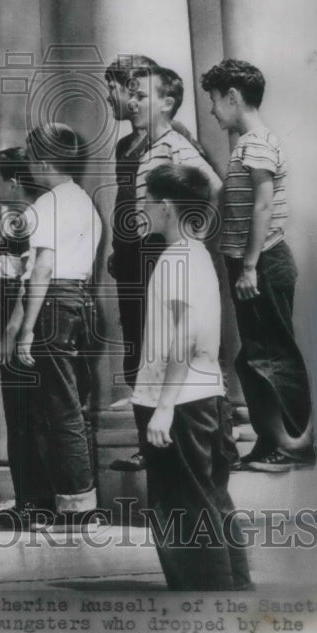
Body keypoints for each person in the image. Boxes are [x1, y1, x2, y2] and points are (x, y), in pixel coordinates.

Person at [134, 163, 252, 591]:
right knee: (211, 501)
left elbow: (185, 337)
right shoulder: (198, 255)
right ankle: (234, 589)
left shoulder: (178, 258)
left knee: (182, 511)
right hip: (202, 397)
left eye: (147, 200)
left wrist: (162, 407)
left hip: (181, 403)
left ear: (166, 206)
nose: (142, 208)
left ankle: (207, 606)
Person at [201, 59, 315, 472]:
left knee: (273, 355)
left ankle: (295, 446)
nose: (213, 111)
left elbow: (263, 206)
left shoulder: (256, 143)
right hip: (251, 263)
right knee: (255, 356)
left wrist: (249, 266)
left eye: (214, 100)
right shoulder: (246, 144)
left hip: (263, 262)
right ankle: (273, 442)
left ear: (233, 96)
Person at [109, 61, 224, 472]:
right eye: (131, 94)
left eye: (140, 95)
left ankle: (190, 437)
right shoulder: (141, 148)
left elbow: (213, 185)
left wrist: (195, 233)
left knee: (172, 343)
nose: (131, 101)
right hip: (141, 255)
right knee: (143, 347)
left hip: (160, 253)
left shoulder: (176, 142)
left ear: (167, 103)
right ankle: (151, 443)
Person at [12, 123, 100, 524]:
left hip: (52, 303)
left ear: (44, 160)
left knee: (58, 407)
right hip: (80, 299)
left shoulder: (46, 204)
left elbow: (42, 268)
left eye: (31, 157)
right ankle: (65, 500)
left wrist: (26, 328)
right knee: (72, 404)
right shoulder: (84, 201)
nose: (28, 165)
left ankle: (75, 505)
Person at [0, 147, 54, 519]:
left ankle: (37, 501)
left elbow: (25, 286)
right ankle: (29, 497)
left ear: (13, 182)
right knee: (19, 416)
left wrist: (10, 333)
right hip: (11, 333)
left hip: (21, 337)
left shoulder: (27, 223)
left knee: (29, 416)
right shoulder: (15, 220)